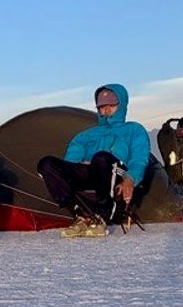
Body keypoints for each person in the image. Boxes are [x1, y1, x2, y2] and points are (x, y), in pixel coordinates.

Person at [39, 83, 151, 236]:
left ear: (121, 105)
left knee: (102, 158)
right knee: (46, 164)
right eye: (102, 106)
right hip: (93, 173)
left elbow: (139, 158)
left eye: (111, 105)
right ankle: (80, 214)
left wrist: (131, 178)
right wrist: (67, 172)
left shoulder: (134, 130)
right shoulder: (85, 136)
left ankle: (102, 216)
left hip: (119, 174)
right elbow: (71, 162)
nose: (106, 110)